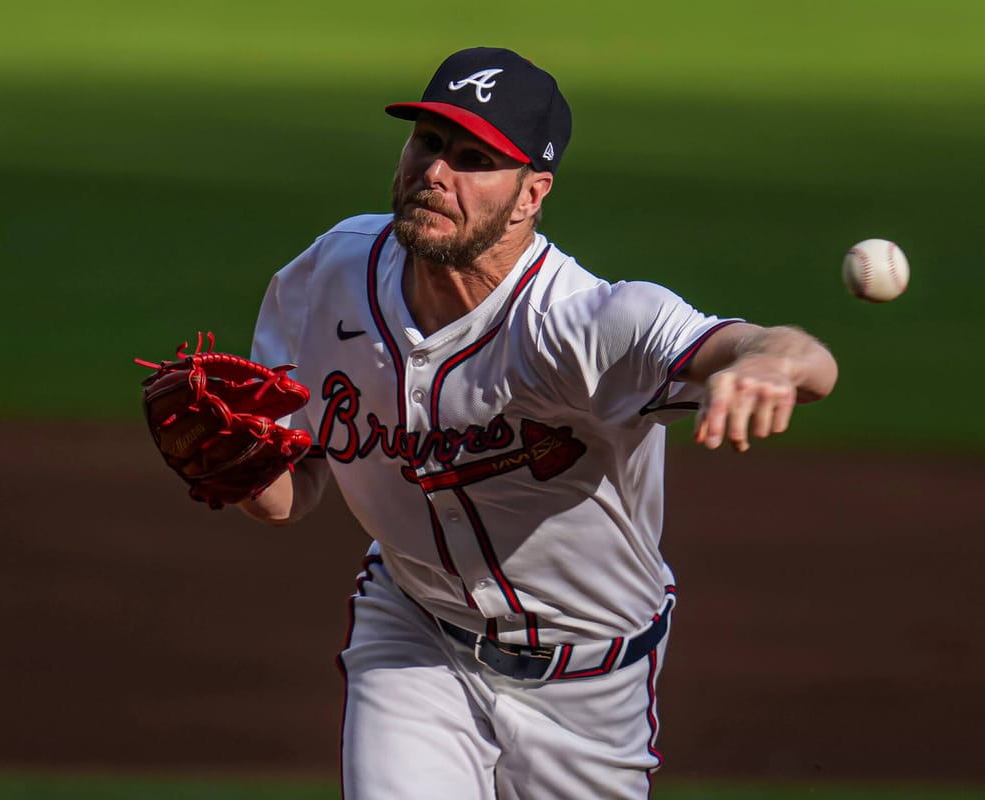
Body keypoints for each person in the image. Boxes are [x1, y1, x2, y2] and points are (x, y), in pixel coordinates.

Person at [240, 46, 837, 800]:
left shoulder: (583, 325)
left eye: (473, 159)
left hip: (591, 688)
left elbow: (802, 358)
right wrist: (238, 468)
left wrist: (769, 364)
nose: (435, 173)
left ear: (530, 194)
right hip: (414, 641)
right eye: (428, 142)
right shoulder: (329, 274)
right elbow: (288, 494)